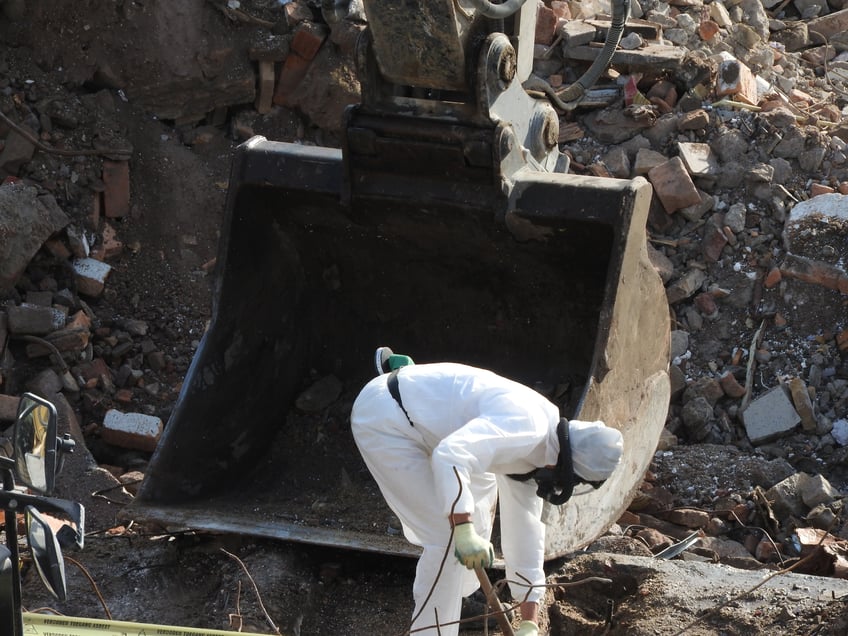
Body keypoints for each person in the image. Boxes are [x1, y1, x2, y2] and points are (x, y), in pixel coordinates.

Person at [350, 347, 624, 636]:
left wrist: (529, 619)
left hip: (432, 425)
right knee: (447, 537)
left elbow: (527, 535)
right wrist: (463, 529)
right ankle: (432, 630)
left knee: (480, 500)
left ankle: (457, 599)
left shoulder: (541, 455)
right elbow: (450, 455)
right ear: (568, 465)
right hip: (385, 417)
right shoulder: (527, 427)